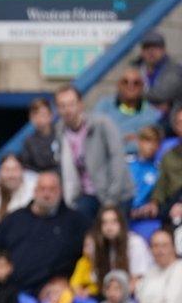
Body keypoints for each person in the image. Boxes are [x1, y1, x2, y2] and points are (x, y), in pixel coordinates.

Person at [0, 171, 89, 295]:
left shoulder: (75, 222)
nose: (46, 194)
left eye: (52, 189)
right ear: (35, 191)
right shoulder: (15, 219)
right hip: (6, 290)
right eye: (42, 189)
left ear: (60, 192)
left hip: (51, 294)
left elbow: (89, 256)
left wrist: (68, 281)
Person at [55, 85, 134, 221]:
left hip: (116, 194)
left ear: (80, 105)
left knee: (113, 237)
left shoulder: (102, 124)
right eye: (62, 106)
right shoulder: (59, 130)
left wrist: (111, 200)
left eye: (71, 104)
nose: (67, 110)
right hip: (86, 194)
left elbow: (118, 159)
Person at [116, 229, 182, 303]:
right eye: (155, 246)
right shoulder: (150, 272)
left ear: (173, 247)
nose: (160, 251)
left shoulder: (179, 270)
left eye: (164, 245)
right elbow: (139, 301)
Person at [93, 68, 160, 156]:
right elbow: (95, 137)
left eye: (136, 83)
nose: (130, 86)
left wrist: (115, 139)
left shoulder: (152, 114)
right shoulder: (103, 106)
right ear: (118, 85)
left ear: (142, 86)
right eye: (125, 82)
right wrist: (131, 139)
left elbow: (148, 146)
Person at [130, 126, 162, 220]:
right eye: (147, 141)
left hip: (145, 217)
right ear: (139, 142)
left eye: (155, 142)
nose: (151, 146)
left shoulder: (159, 169)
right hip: (122, 213)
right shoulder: (126, 164)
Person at [21, 97, 58, 172]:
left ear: (51, 115)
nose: (39, 119)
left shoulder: (61, 134)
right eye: (35, 115)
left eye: (43, 114)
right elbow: (27, 167)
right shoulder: (28, 142)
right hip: (40, 180)